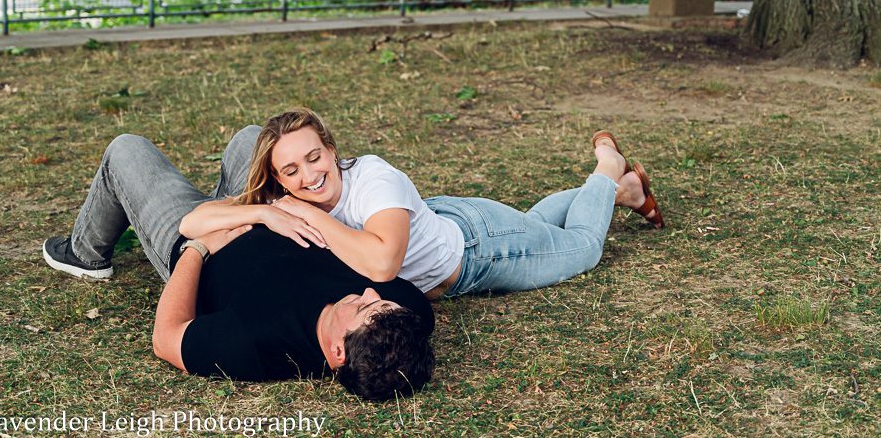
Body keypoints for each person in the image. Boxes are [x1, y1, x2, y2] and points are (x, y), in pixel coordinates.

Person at [41, 134, 435, 401]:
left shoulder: (257, 347)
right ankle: (227, 197)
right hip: (264, 208)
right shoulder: (404, 317)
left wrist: (196, 248)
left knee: (128, 150)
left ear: (337, 352)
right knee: (254, 138)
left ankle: (84, 253)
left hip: (200, 239)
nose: (372, 292)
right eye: (377, 300)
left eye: (363, 307)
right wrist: (263, 212)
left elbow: (166, 339)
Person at [182, 108, 665, 300]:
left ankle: (608, 167)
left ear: (331, 149)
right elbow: (192, 222)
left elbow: (383, 263)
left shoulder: (371, 176)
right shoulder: (280, 196)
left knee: (582, 247)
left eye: (315, 158)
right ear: (277, 177)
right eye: (292, 171)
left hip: (481, 250)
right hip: (440, 221)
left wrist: (305, 214)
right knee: (538, 224)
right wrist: (264, 211)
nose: (309, 176)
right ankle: (623, 192)